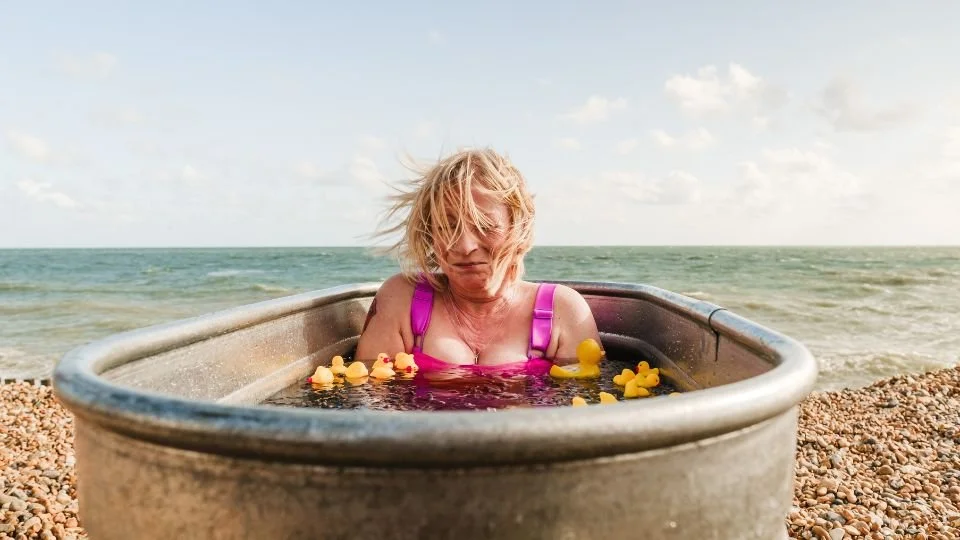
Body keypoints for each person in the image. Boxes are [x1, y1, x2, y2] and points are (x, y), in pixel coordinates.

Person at [355, 147, 601, 373]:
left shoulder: (563, 312)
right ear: (431, 234)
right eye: (448, 226)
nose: (465, 246)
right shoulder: (401, 301)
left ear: (518, 228)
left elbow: (586, 400)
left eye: (485, 226)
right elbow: (368, 396)